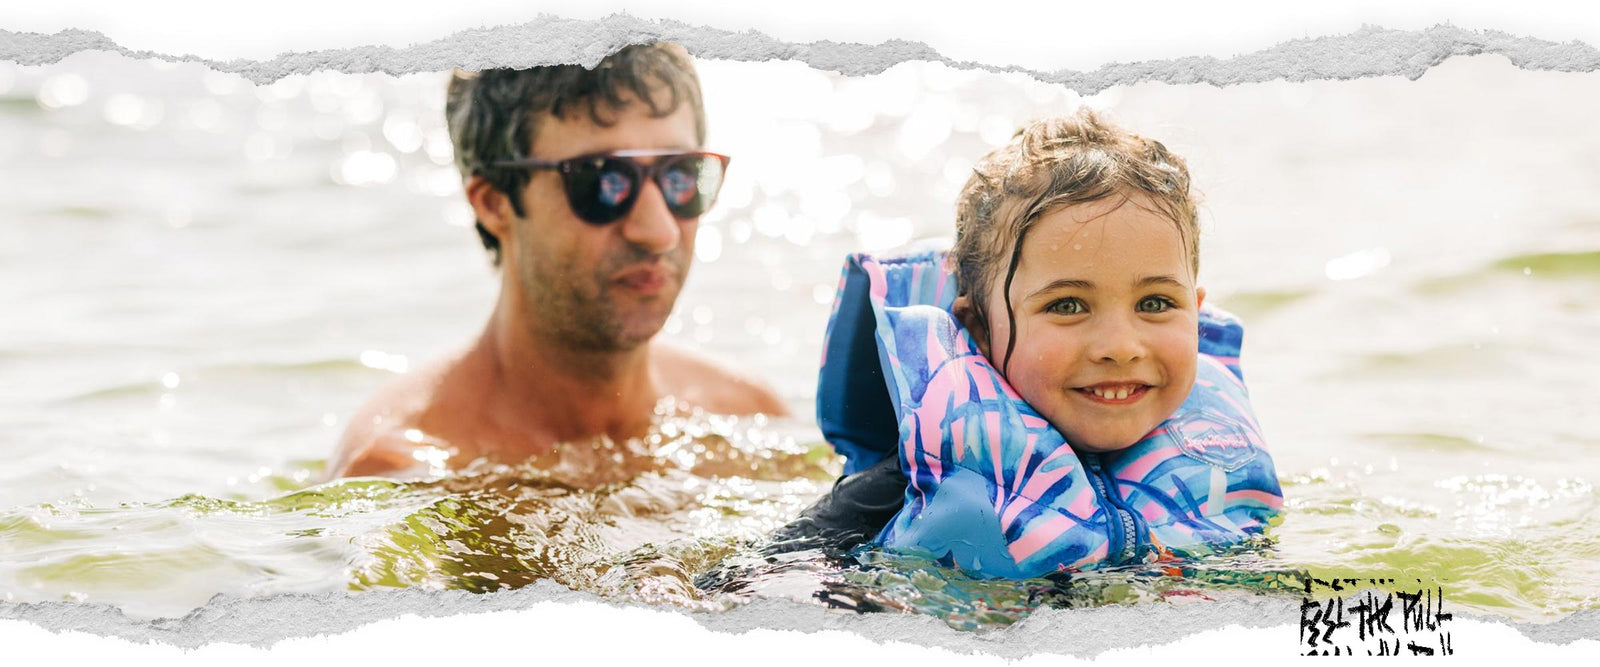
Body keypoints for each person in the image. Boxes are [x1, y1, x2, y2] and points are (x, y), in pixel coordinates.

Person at [778, 109, 1280, 576]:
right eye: (1067, 305)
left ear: (1196, 308)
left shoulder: (1223, 469)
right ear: (978, 326)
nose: (1120, 346)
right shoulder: (902, 488)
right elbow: (758, 587)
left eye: (1154, 303)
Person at [329, 44, 786, 479]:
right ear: (494, 203)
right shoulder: (408, 471)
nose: (659, 231)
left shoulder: (751, 422)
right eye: (605, 182)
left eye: (681, 176)